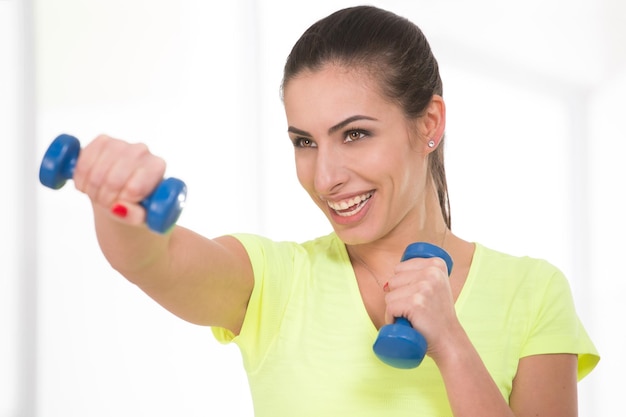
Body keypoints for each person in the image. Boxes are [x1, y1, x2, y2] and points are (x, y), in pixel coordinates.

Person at [68, 5, 598, 416]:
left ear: (429, 124)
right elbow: (152, 261)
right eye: (305, 141)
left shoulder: (533, 292)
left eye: (355, 134)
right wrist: (117, 201)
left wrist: (454, 347)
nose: (325, 177)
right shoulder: (273, 282)